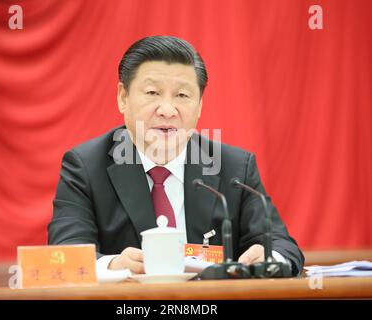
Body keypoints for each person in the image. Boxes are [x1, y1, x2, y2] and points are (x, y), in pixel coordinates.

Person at [48, 35, 304, 275]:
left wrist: (269, 259)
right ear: (123, 97)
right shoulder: (85, 166)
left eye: (182, 95)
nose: (168, 110)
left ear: (200, 105)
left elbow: (285, 248)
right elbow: (64, 256)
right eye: (152, 93)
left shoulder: (234, 167)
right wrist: (113, 265)